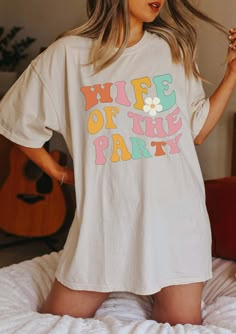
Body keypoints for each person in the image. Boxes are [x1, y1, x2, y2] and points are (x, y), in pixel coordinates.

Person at [0, 0, 235, 326]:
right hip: (105, 222)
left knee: (182, 325)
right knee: (54, 320)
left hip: (177, 220)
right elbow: (16, 121)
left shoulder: (170, 49)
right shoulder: (69, 55)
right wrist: (57, 172)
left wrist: (232, 74)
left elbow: (197, 131)